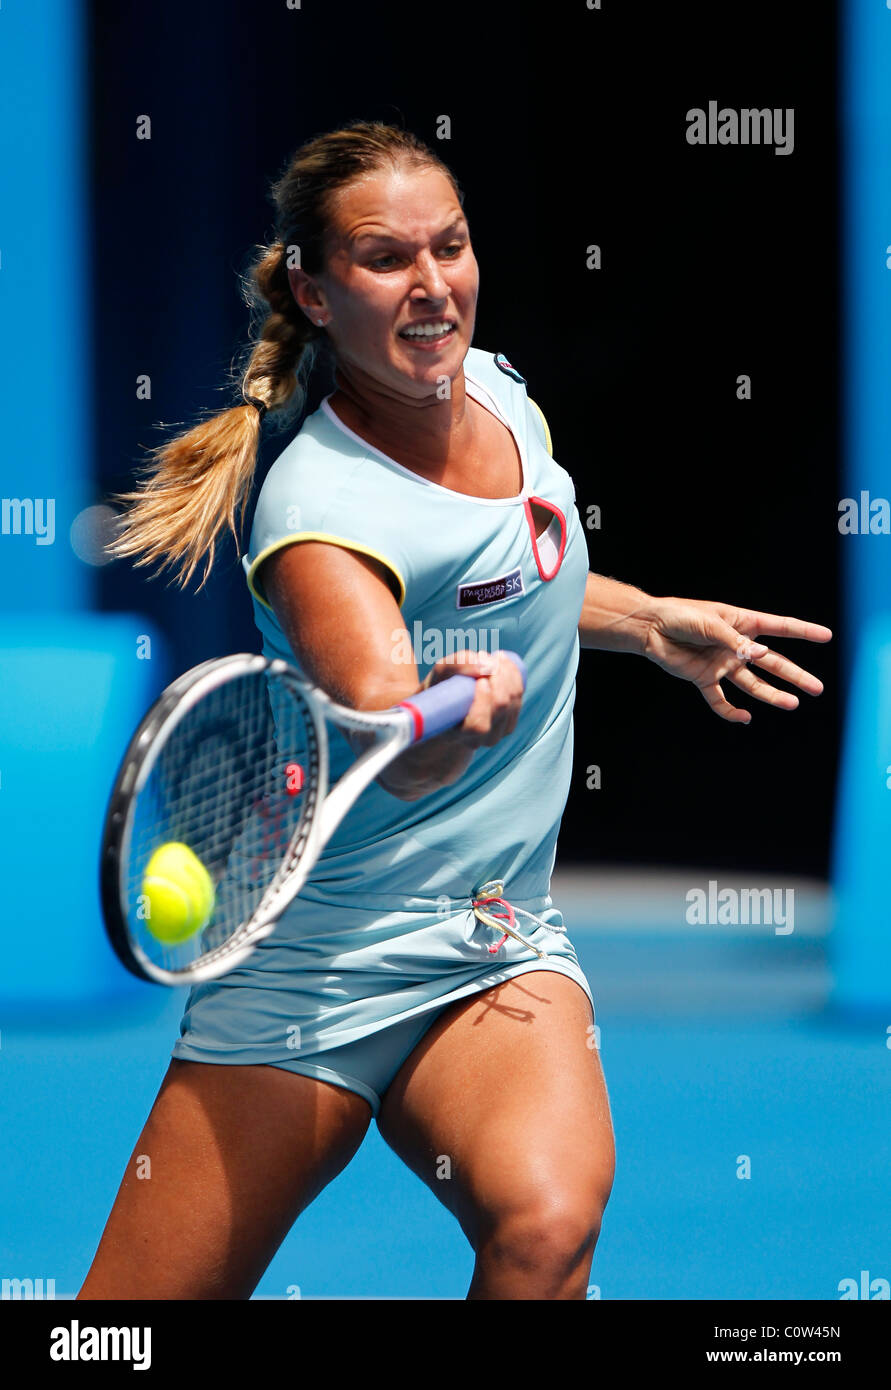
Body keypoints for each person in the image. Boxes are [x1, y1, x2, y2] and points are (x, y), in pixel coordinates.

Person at [78, 120, 831, 1301]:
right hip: (310, 973)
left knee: (546, 1227)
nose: (433, 285)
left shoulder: (498, 389)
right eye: (386, 259)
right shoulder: (321, 516)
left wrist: (646, 622)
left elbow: (522, 562)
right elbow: (389, 724)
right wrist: (453, 717)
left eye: (453, 246)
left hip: (490, 941)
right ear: (314, 294)